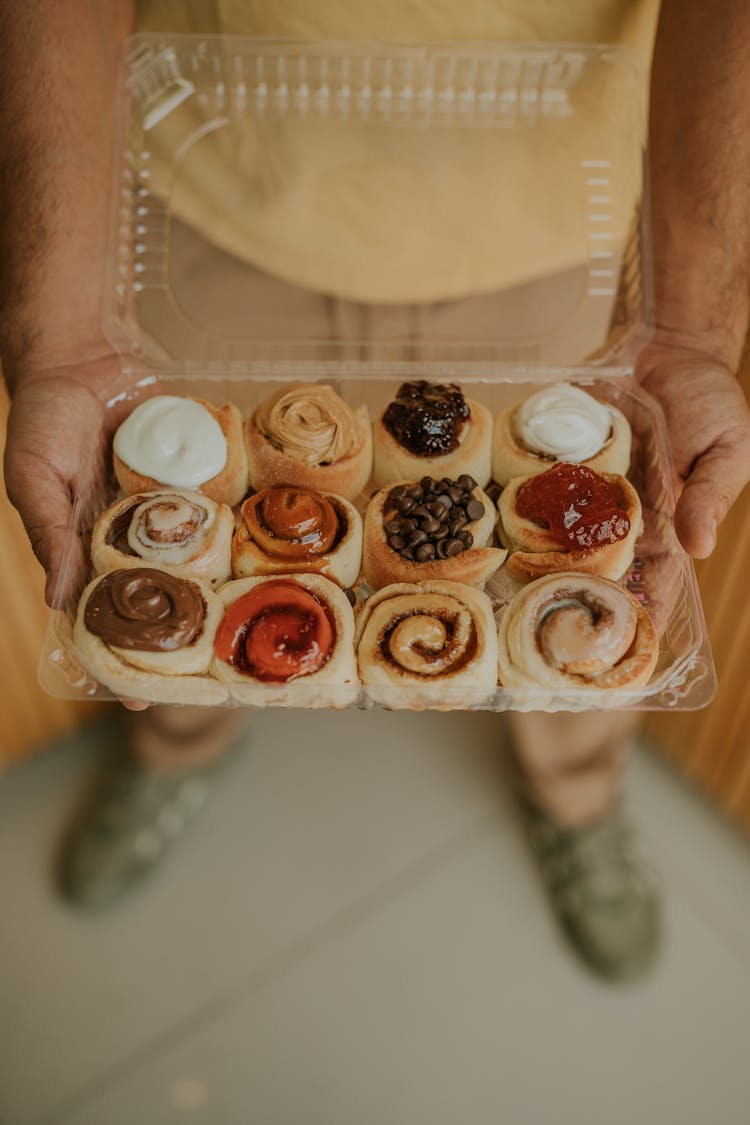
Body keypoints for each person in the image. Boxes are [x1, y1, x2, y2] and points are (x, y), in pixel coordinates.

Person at [2, 1, 749, 983]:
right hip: (209, 182)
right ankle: (177, 745)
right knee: (172, 549)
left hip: (548, 220)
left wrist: (693, 332)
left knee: (602, 594)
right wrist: (58, 327)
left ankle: (578, 795)